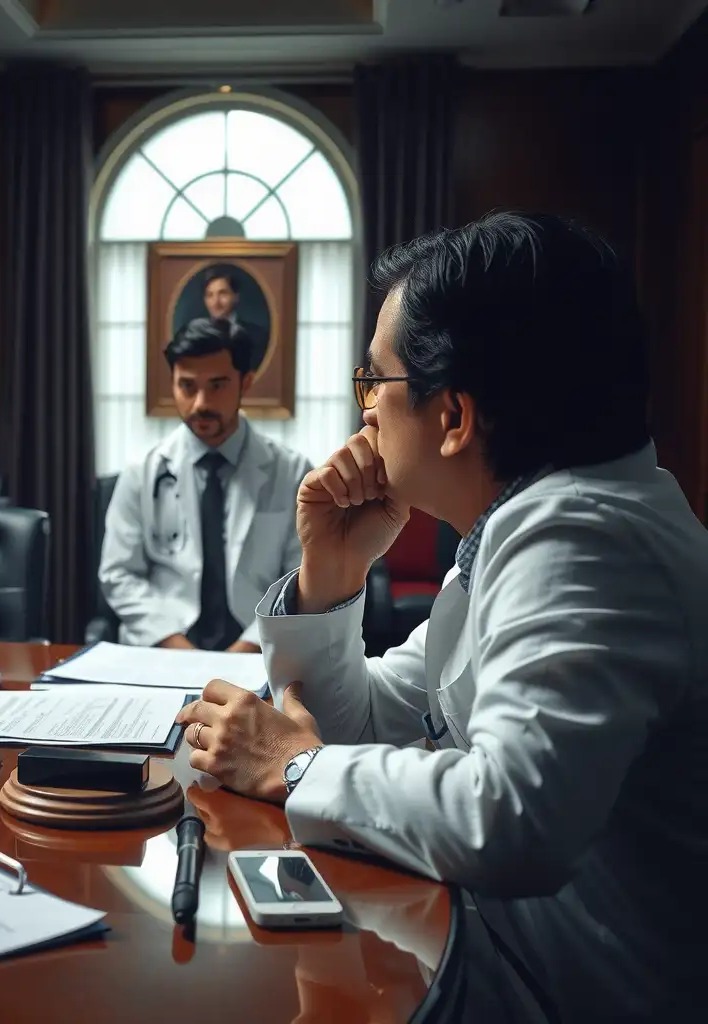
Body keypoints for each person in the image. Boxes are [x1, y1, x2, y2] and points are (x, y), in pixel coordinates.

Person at [176, 212, 705, 1019]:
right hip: (503, 952)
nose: (366, 417)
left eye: (374, 385)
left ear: (453, 417)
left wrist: (294, 765)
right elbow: (374, 715)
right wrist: (334, 570)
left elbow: (510, 816)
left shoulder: (584, 535)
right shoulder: (526, 525)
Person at [100, 317, 311, 652]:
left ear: (246, 383)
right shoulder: (141, 472)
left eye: (217, 385)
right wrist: (181, 652)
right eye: (187, 386)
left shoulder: (292, 472)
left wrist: (247, 648)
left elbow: (301, 578)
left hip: (259, 651)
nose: (200, 403)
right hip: (163, 652)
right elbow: (119, 575)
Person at [199, 265, 270, 372]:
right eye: (210, 295)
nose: (216, 302)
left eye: (222, 293)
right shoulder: (194, 337)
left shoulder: (258, 336)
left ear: (236, 297)